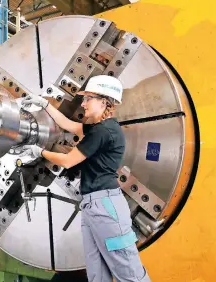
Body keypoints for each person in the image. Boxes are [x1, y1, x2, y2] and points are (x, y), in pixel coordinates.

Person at [22, 75, 150, 282]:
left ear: (103, 102)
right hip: (92, 205)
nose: (83, 104)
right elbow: (68, 125)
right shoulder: (98, 128)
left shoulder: (104, 132)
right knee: (96, 273)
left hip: (106, 207)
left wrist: (39, 152)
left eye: (87, 98)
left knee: (128, 272)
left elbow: (68, 161)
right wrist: (44, 104)